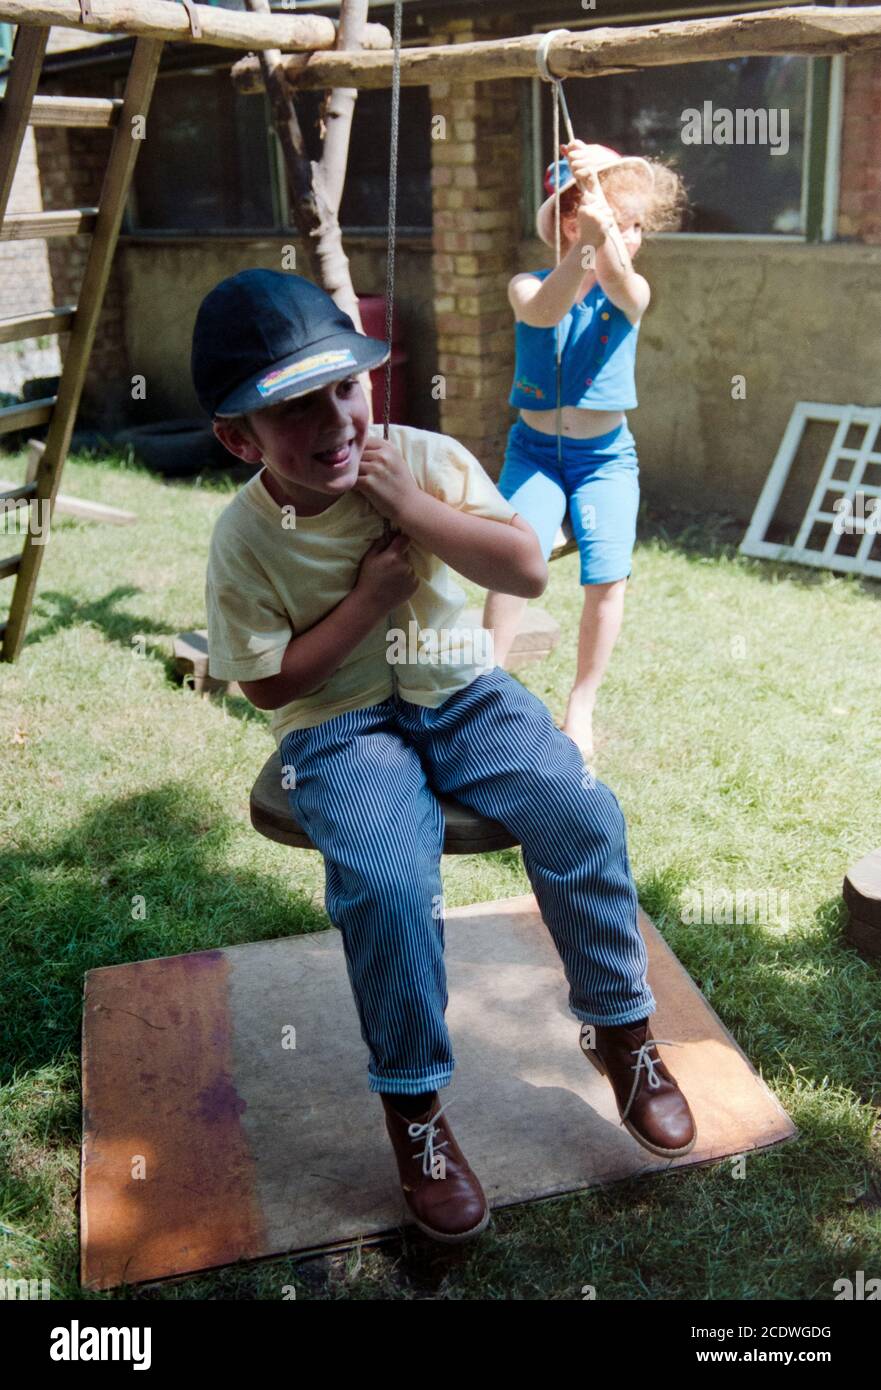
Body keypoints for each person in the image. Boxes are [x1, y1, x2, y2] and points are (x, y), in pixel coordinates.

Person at [192, 268, 696, 1246]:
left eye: (341, 388)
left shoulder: (420, 457)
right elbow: (265, 684)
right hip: (339, 729)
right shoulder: (244, 538)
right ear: (237, 438)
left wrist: (413, 511)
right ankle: (416, 1114)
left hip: (464, 692)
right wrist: (369, 602)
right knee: (384, 886)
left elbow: (521, 569)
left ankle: (624, 1038)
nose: (331, 420)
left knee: (580, 808)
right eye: (290, 410)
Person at [484, 141, 687, 758]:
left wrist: (607, 247)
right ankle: (484, 690)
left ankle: (581, 704)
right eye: (620, 224)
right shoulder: (529, 284)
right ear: (571, 224)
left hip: (604, 460)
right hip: (536, 454)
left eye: (634, 227)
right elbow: (545, 313)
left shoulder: (633, 289)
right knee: (513, 563)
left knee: (607, 576)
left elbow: (623, 284)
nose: (631, 237)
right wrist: (586, 248)